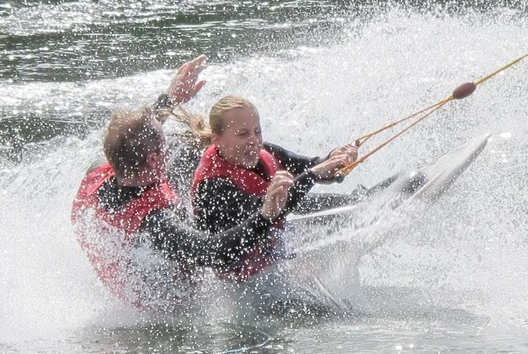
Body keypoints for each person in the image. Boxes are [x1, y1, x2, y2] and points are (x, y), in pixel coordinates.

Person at [73, 60, 297, 308]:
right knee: (191, 157)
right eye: (163, 140)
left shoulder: (102, 169)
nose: (169, 143)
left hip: (126, 256)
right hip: (164, 302)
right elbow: (212, 252)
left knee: (190, 151)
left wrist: (171, 98)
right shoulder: (156, 222)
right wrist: (265, 216)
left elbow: (131, 137)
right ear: (153, 159)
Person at [190, 96, 358, 279]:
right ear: (217, 139)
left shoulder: (264, 151)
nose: (254, 140)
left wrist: (334, 160)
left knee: (348, 206)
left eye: (257, 132)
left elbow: (310, 166)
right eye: (243, 134)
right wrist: (315, 173)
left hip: (275, 243)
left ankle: (362, 203)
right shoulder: (212, 185)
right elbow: (264, 212)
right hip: (245, 278)